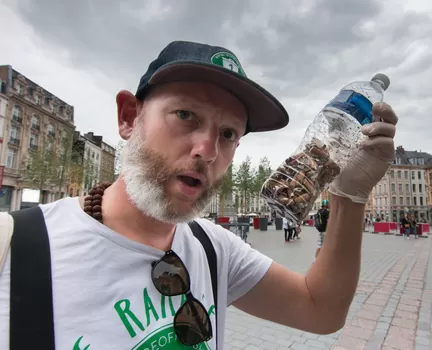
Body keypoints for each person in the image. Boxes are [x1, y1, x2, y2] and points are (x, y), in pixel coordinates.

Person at [0, 40, 398, 348]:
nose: (207, 151)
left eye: (228, 134)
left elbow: (322, 310)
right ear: (128, 117)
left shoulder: (214, 251)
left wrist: (349, 195)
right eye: (186, 115)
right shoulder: (14, 248)